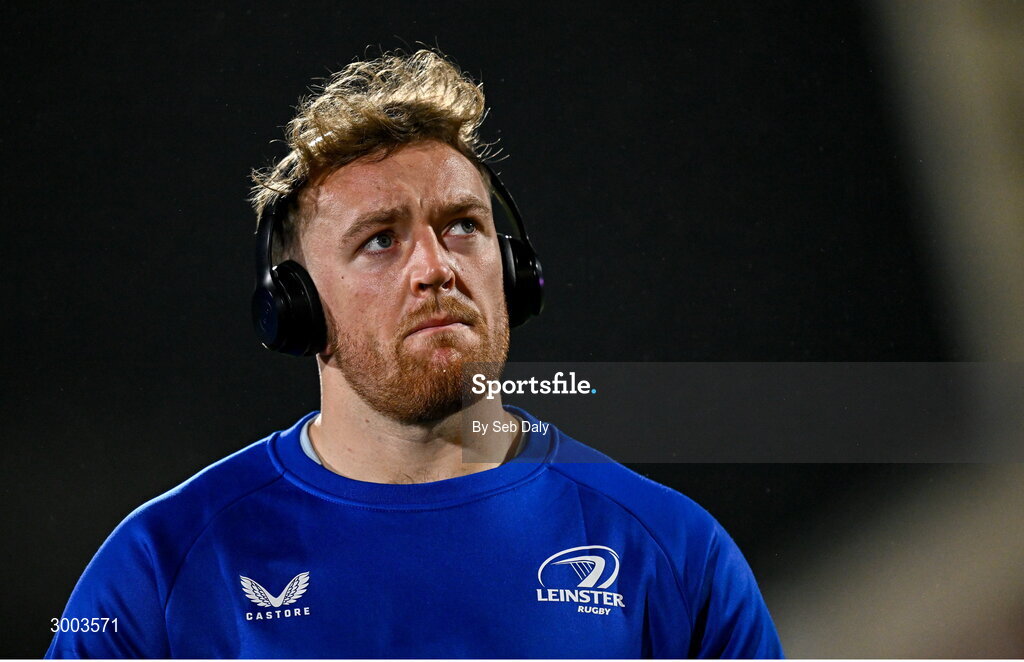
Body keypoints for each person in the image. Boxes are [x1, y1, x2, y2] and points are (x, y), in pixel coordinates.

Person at [46, 49, 783, 658]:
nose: (435, 266)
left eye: (463, 226)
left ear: (515, 271)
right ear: (297, 307)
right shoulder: (159, 568)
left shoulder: (675, 553)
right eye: (380, 239)